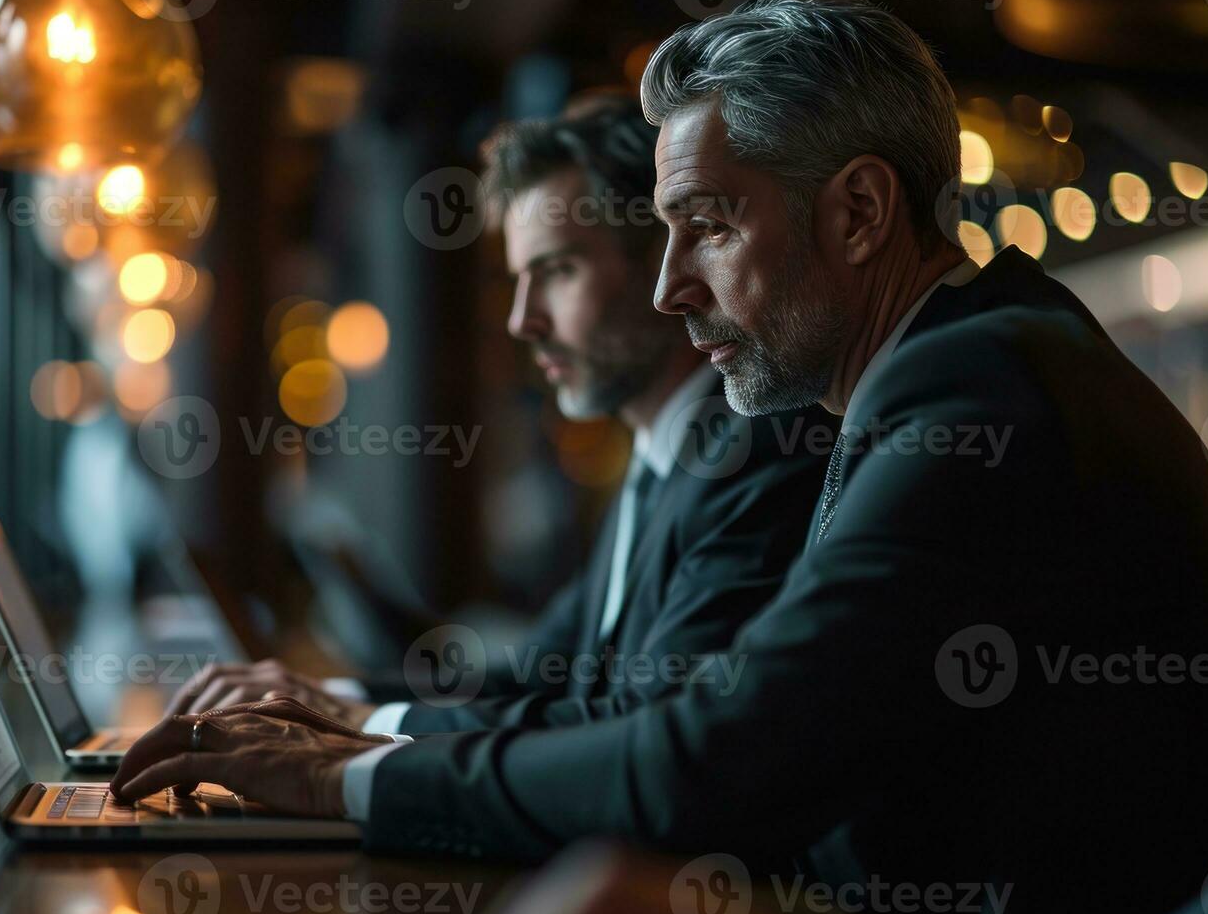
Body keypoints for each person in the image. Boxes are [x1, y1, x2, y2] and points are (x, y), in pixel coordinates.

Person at [113, 0, 1208, 914]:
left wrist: (341, 779)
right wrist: (352, 745)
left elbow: (717, 756)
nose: (670, 288)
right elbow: (698, 721)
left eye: (706, 225)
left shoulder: (976, 391)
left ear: (858, 212)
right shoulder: (961, 362)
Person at [161, 99, 831, 735]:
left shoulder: (750, 450)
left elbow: (637, 729)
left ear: (662, 257)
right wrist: (333, 700)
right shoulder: (660, 457)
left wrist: (358, 728)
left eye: (559, 270)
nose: (523, 320)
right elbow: (537, 681)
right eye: (518, 280)